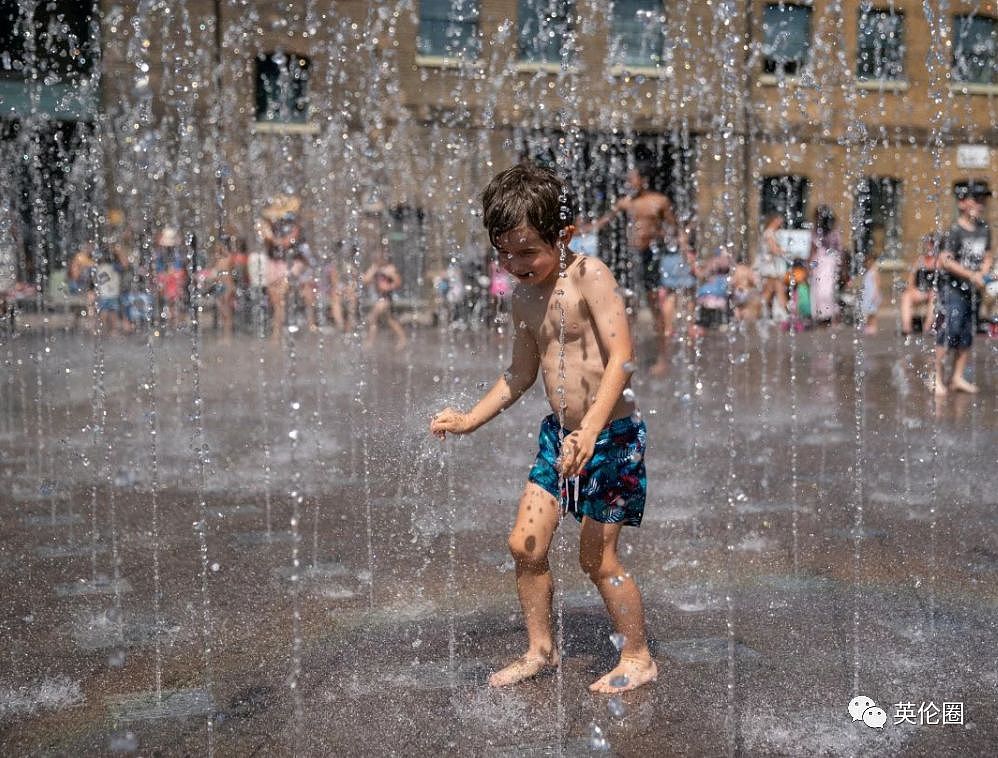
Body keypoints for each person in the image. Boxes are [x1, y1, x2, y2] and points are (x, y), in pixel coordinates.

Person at [430, 163, 657, 695]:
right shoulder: (524, 298)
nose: (514, 264)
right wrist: (469, 419)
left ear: (564, 235)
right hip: (560, 438)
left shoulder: (589, 276)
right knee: (525, 546)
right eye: (503, 252)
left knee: (595, 559)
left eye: (527, 250)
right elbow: (519, 374)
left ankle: (639, 655)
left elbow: (623, 356)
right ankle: (539, 650)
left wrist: (591, 431)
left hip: (613, 439)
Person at [591, 163, 690, 375]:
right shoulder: (625, 203)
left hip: (650, 257)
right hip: (629, 258)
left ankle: (663, 358)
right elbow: (604, 223)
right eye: (627, 179)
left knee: (656, 308)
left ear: (643, 180)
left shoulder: (659, 201)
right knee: (628, 310)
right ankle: (627, 357)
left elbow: (674, 227)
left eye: (632, 179)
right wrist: (594, 226)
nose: (628, 183)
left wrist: (683, 249)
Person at [933, 180, 993, 395]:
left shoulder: (984, 229)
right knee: (949, 331)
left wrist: (984, 273)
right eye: (976, 200)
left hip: (973, 292)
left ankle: (957, 377)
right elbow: (946, 261)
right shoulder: (955, 231)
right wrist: (972, 275)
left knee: (967, 334)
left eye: (983, 201)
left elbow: (987, 255)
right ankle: (937, 378)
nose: (981, 205)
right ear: (962, 203)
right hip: (953, 290)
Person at [362, 245, 407, 348]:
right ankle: (402, 339)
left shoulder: (390, 268)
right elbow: (365, 280)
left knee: (372, 318)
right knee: (390, 320)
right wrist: (373, 271)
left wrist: (389, 286)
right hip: (378, 297)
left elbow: (398, 282)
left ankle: (370, 342)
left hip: (386, 298)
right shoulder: (375, 268)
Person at [900, 234, 939, 337]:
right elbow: (911, 279)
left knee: (934, 295)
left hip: (934, 293)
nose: (928, 246)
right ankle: (906, 327)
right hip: (920, 291)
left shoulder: (939, 261)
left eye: (931, 244)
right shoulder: (919, 260)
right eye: (927, 244)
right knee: (906, 296)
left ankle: (927, 326)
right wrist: (910, 289)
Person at [809, 205, 841, 323]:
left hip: (829, 263)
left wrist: (839, 264)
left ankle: (830, 315)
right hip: (818, 262)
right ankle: (821, 316)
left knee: (827, 290)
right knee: (817, 288)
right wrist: (811, 266)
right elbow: (812, 251)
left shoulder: (834, 232)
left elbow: (839, 249)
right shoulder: (815, 232)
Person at [756, 213, 789, 319]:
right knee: (772, 291)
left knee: (772, 290)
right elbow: (774, 250)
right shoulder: (769, 233)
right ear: (774, 220)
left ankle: (783, 314)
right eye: (779, 219)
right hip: (771, 268)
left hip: (770, 266)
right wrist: (785, 251)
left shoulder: (769, 232)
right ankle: (786, 315)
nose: (781, 222)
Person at [860, 255, 881, 334]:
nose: (868, 263)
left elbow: (878, 282)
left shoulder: (874, 271)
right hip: (868, 294)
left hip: (872, 294)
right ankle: (868, 326)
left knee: (872, 312)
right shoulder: (868, 271)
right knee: (867, 311)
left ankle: (873, 326)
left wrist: (876, 292)